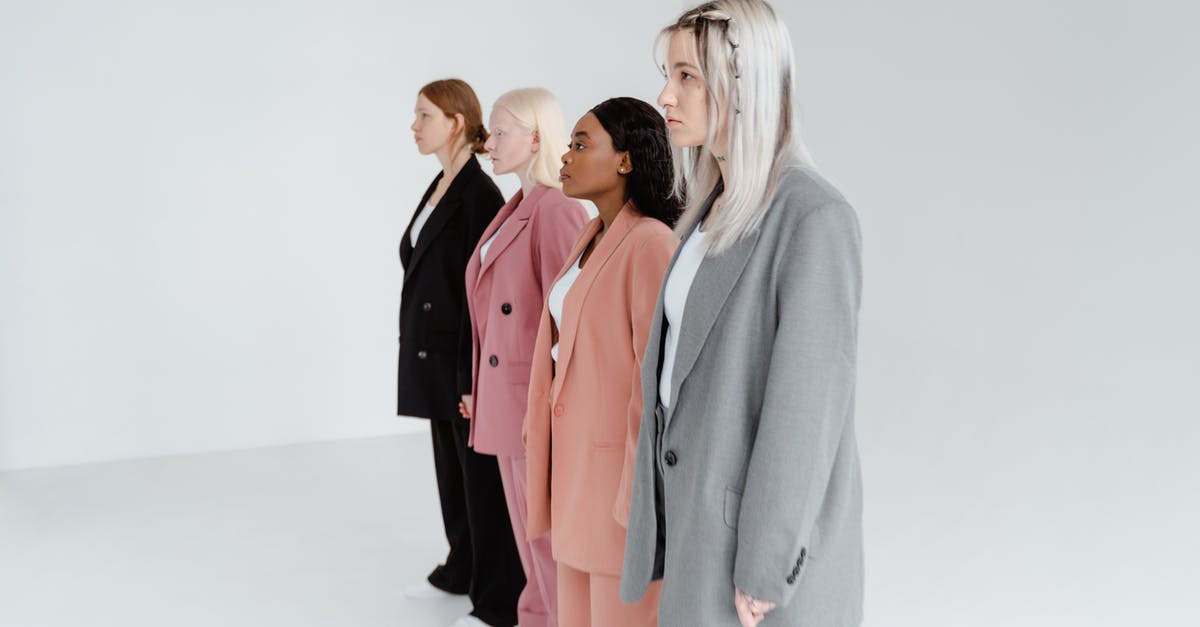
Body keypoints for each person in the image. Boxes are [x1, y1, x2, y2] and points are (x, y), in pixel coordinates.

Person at [618, 2, 865, 626]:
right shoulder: (709, 210)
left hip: (754, 563)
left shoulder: (812, 218)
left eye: (686, 77)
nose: (665, 95)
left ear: (740, 83)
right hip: (701, 526)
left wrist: (765, 563)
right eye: (667, 74)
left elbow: (806, 412)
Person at [523, 97, 681, 626]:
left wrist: (635, 498)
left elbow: (655, 380)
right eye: (568, 144)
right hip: (575, 479)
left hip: (617, 489)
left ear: (626, 160)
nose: (565, 156)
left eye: (582, 143)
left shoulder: (651, 243)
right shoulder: (589, 236)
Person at [398, 78, 523, 627]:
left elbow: (487, 292)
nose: (414, 125)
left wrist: (471, 372)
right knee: (450, 469)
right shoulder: (439, 185)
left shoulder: (478, 193)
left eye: (424, 115)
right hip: (431, 352)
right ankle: (461, 567)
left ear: (454, 121)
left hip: (461, 358)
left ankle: (497, 600)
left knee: (480, 479)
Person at [462, 87, 588, 627]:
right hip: (507, 397)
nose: (489, 142)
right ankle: (536, 617)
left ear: (536, 136)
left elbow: (568, 319)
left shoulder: (556, 208)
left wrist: (558, 405)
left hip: (535, 404)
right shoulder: (516, 206)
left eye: (501, 131)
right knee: (527, 536)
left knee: (547, 538)